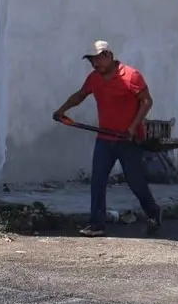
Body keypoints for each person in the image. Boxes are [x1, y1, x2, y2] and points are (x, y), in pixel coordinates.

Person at [53, 40, 163, 238]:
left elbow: (147, 102)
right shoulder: (94, 78)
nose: (95, 64)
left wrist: (132, 127)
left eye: (97, 59)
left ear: (109, 56)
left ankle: (153, 211)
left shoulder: (131, 76)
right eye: (91, 60)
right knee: (98, 179)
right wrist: (62, 110)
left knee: (135, 181)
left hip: (128, 139)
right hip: (105, 137)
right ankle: (97, 224)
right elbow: (80, 95)